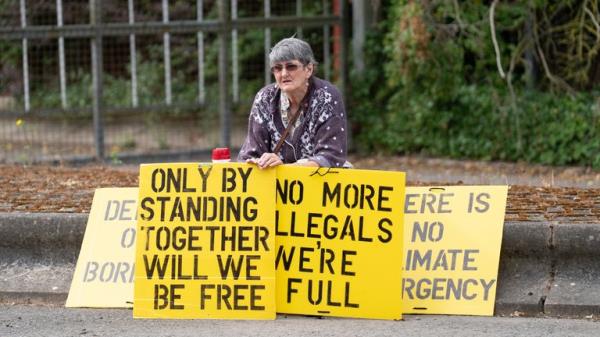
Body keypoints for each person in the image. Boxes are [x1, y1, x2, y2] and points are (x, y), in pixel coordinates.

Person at [237, 37, 349, 169]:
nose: (284, 74)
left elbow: (330, 156)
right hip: (275, 182)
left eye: (291, 67)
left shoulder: (327, 97)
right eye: (277, 68)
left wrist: (287, 170)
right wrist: (258, 162)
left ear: (309, 69)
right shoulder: (265, 98)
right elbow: (250, 154)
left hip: (319, 182)